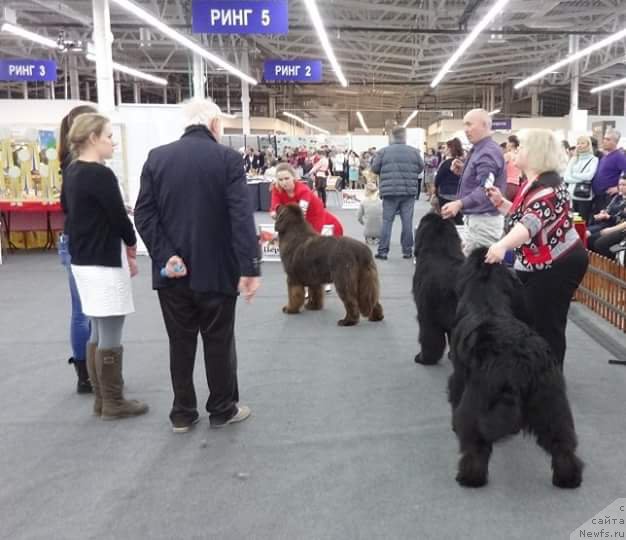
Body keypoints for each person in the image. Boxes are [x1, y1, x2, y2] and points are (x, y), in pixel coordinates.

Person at [134, 98, 260, 433]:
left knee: (180, 342)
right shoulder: (228, 160)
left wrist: (165, 255)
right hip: (217, 270)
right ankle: (222, 408)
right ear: (215, 124)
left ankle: (182, 413)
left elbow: (144, 215)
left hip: (171, 273)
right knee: (219, 341)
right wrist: (250, 268)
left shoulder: (157, 158)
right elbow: (241, 217)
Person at [62, 113, 148, 419]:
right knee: (110, 330)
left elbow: (67, 210)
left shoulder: (72, 171)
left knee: (97, 329)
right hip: (103, 260)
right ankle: (113, 400)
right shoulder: (100, 175)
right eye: (109, 136)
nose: (113, 142)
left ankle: (102, 399)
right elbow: (118, 218)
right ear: (93, 137)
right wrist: (131, 243)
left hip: (83, 260)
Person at [485, 129, 588, 369]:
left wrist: (501, 245)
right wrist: (501, 203)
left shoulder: (547, 189)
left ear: (534, 153)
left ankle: (549, 380)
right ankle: (537, 373)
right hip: (541, 261)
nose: (514, 152)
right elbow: (526, 217)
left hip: (558, 263)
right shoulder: (533, 183)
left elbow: (530, 224)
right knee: (532, 317)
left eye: (519, 147)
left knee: (547, 324)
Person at [57, 104, 97, 394]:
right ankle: (91, 372)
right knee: (88, 312)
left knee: (80, 312)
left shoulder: (68, 166)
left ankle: (86, 373)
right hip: (84, 243)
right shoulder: (81, 168)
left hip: (72, 240)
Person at [441, 108, 506, 255]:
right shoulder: (479, 149)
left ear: (484, 125)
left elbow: (487, 189)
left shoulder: (487, 152)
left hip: (483, 222)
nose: (466, 130)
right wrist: (464, 171)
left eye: (470, 125)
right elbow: (482, 180)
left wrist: (459, 203)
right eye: (465, 125)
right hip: (478, 220)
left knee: (479, 273)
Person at [370, 126, 424, 260]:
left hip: (389, 192)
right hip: (408, 192)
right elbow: (420, 168)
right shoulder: (414, 152)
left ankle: (383, 251)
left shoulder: (383, 152)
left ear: (392, 137)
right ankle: (407, 251)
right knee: (407, 222)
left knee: (387, 221)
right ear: (404, 137)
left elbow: (375, 169)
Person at [270, 163, 344, 236]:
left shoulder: (303, 190)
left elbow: (301, 213)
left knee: (311, 241)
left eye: (287, 178)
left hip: (314, 215)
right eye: (280, 179)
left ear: (293, 177)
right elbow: (274, 207)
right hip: (293, 218)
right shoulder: (276, 189)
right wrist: (275, 213)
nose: (284, 182)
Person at [587, 177, 626, 259]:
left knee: (596, 241)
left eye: (624, 185)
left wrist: (609, 217)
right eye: (620, 185)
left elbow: (621, 219)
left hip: (615, 225)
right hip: (606, 222)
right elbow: (608, 208)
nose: (621, 187)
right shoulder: (617, 197)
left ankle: (605, 263)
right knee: (586, 234)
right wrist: (603, 213)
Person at [563, 135, 599, 223]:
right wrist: (582, 177)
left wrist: (574, 174)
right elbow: (566, 177)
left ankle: (581, 236)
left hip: (584, 197)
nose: (579, 145)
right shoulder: (574, 159)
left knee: (581, 222)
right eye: (578, 143)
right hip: (571, 196)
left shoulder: (594, 159)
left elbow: (589, 176)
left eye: (582, 143)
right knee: (572, 221)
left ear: (588, 145)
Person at [592, 129, 626, 214]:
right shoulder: (605, 156)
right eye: (604, 138)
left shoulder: (619, 157)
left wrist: (618, 188)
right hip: (598, 196)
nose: (604, 141)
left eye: (608, 139)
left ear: (615, 142)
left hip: (608, 197)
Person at [434, 138, 464, 226]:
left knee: (446, 220)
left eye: (445, 148)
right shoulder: (462, 162)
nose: (444, 150)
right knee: (459, 220)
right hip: (459, 195)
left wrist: (435, 191)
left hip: (445, 194)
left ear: (450, 149)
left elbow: (438, 179)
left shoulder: (445, 163)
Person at [504, 134, 522, 201]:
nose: (506, 144)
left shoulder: (508, 155)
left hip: (508, 184)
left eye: (507, 142)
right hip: (517, 185)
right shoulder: (519, 155)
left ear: (512, 143)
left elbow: (499, 168)